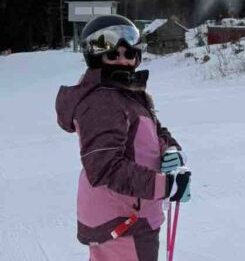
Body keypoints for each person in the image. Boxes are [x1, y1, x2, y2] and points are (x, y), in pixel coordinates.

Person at [55, 14, 191, 261]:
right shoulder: (102, 102)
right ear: (96, 58)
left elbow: (156, 130)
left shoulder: (126, 94)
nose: (124, 61)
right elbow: (105, 167)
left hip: (132, 214)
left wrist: (170, 149)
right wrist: (165, 186)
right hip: (123, 220)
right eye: (113, 55)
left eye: (129, 54)